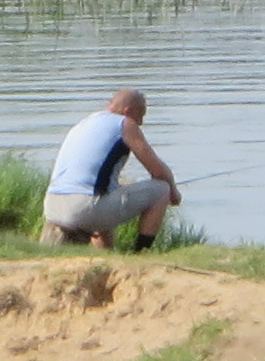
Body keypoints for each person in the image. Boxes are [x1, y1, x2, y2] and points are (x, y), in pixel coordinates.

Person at [42, 88, 180, 252]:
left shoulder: (84, 123)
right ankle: (141, 253)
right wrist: (173, 192)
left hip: (52, 207)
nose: (141, 123)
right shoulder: (124, 124)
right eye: (140, 116)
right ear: (128, 111)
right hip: (82, 209)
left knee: (106, 194)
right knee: (161, 189)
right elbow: (158, 172)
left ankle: (106, 254)